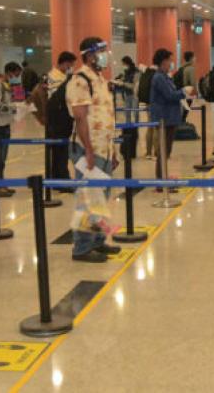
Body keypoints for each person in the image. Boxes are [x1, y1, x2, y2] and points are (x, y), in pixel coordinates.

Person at [66, 37, 121, 263]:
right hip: (88, 149)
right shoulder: (80, 80)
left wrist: (113, 150)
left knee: (101, 198)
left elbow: (105, 115)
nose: (105, 55)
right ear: (89, 55)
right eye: (101, 51)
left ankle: (97, 241)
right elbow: (80, 118)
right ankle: (82, 247)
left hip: (103, 148)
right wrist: (88, 150)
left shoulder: (99, 79)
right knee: (88, 199)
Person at [149, 49, 193, 189]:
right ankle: (161, 183)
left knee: (166, 151)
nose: (171, 63)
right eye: (169, 60)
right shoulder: (159, 78)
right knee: (163, 151)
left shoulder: (165, 77)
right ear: (163, 61)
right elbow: (169, 95)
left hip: (169, 118)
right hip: (164, 119)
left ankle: (163, 177)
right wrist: (183, 92)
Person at [0, 61, 23, 197]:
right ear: (9, 72)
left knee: (2, 160)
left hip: (5, 125)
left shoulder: (5, 86)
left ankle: (1, 185)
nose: (17, 77)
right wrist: (13, 109)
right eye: (16, 74)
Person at [46, 51, 77, 192]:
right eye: (70, 65)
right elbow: (57, 97)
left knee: (60, 151)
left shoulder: (63, 76)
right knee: (60, 152)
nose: (71, 67)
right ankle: (63, 181)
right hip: (57, 120)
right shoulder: (53, 77)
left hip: (63, 118)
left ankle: (57, 180)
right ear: (64, 62)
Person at [137, 64, 157, 160]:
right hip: (155, 103)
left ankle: (148, 152)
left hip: (146, 102)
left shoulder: (145, 75)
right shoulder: (156, 75)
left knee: (150, 127)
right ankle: (156, 153)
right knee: (155, 127)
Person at [179, 51, 196, 122]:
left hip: (181, 92)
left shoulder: (181, 67)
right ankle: (183, 124)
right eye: (194, 57)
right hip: (188, 93)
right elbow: (192, 82)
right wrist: (195, 92)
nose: (195, 59)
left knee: (182, 113)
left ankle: (181, 123)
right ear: (191, 58)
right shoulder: (190, 68)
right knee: (184, 114)